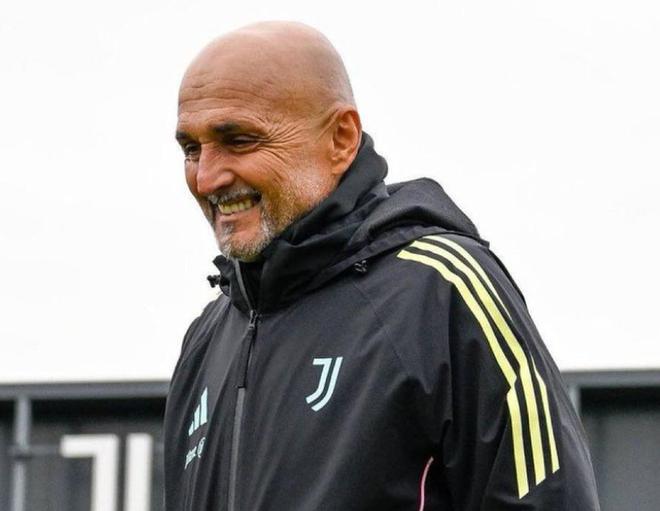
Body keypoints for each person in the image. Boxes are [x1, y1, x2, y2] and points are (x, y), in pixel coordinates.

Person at [163, 21, 600, 511]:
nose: (207, 178)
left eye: (240, 140)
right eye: (191, 150)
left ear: (341, 138)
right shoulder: (205, 340)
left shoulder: (444, 292)